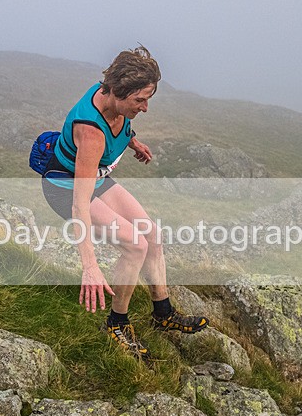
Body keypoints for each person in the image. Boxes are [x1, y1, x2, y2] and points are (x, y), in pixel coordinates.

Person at [41, 46, 208, 360]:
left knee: (152, 235)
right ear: (117, 91)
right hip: (66, 188)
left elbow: (120, 122)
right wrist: (89, 267)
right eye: (139, 100)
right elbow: (79, 205)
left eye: (148, 99)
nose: (145, 108)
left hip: (97, 178)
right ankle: (116, 323)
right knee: (135, 245)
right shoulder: (91, 134)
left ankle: (163, 313)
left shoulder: (109, 94)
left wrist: (133, 142)